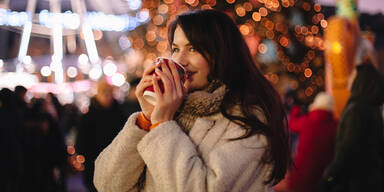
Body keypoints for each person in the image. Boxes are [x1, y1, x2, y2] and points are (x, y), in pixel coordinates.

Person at [94, 9, 291, 192]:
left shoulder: (248, 118)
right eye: (175, 49)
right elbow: (106, 184)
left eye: (193, 49)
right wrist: (146, 119)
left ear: (222, 53)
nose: (180, 60)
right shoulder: (173, 109)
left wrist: (162, 123)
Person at [318, 63, 384, 192]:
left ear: (361, 81)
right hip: (371, 179)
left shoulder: (356, 110)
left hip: (357, 181)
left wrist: (328, 178)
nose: (350, 79)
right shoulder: (373, 108)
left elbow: (347, 148)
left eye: (353, 76)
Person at [76, 80, 127, 192]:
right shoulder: (89, 116)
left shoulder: (119, 113)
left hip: (116, 162)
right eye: (104, 93)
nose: (107, 97)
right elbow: (81, 140)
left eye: (110, 93)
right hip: (94, 163)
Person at [286, 92, 338, 192]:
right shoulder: (335, 126)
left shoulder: (307, 121)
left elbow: (292, 124)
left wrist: (296, 108)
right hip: (321, 179)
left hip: (300, 177)